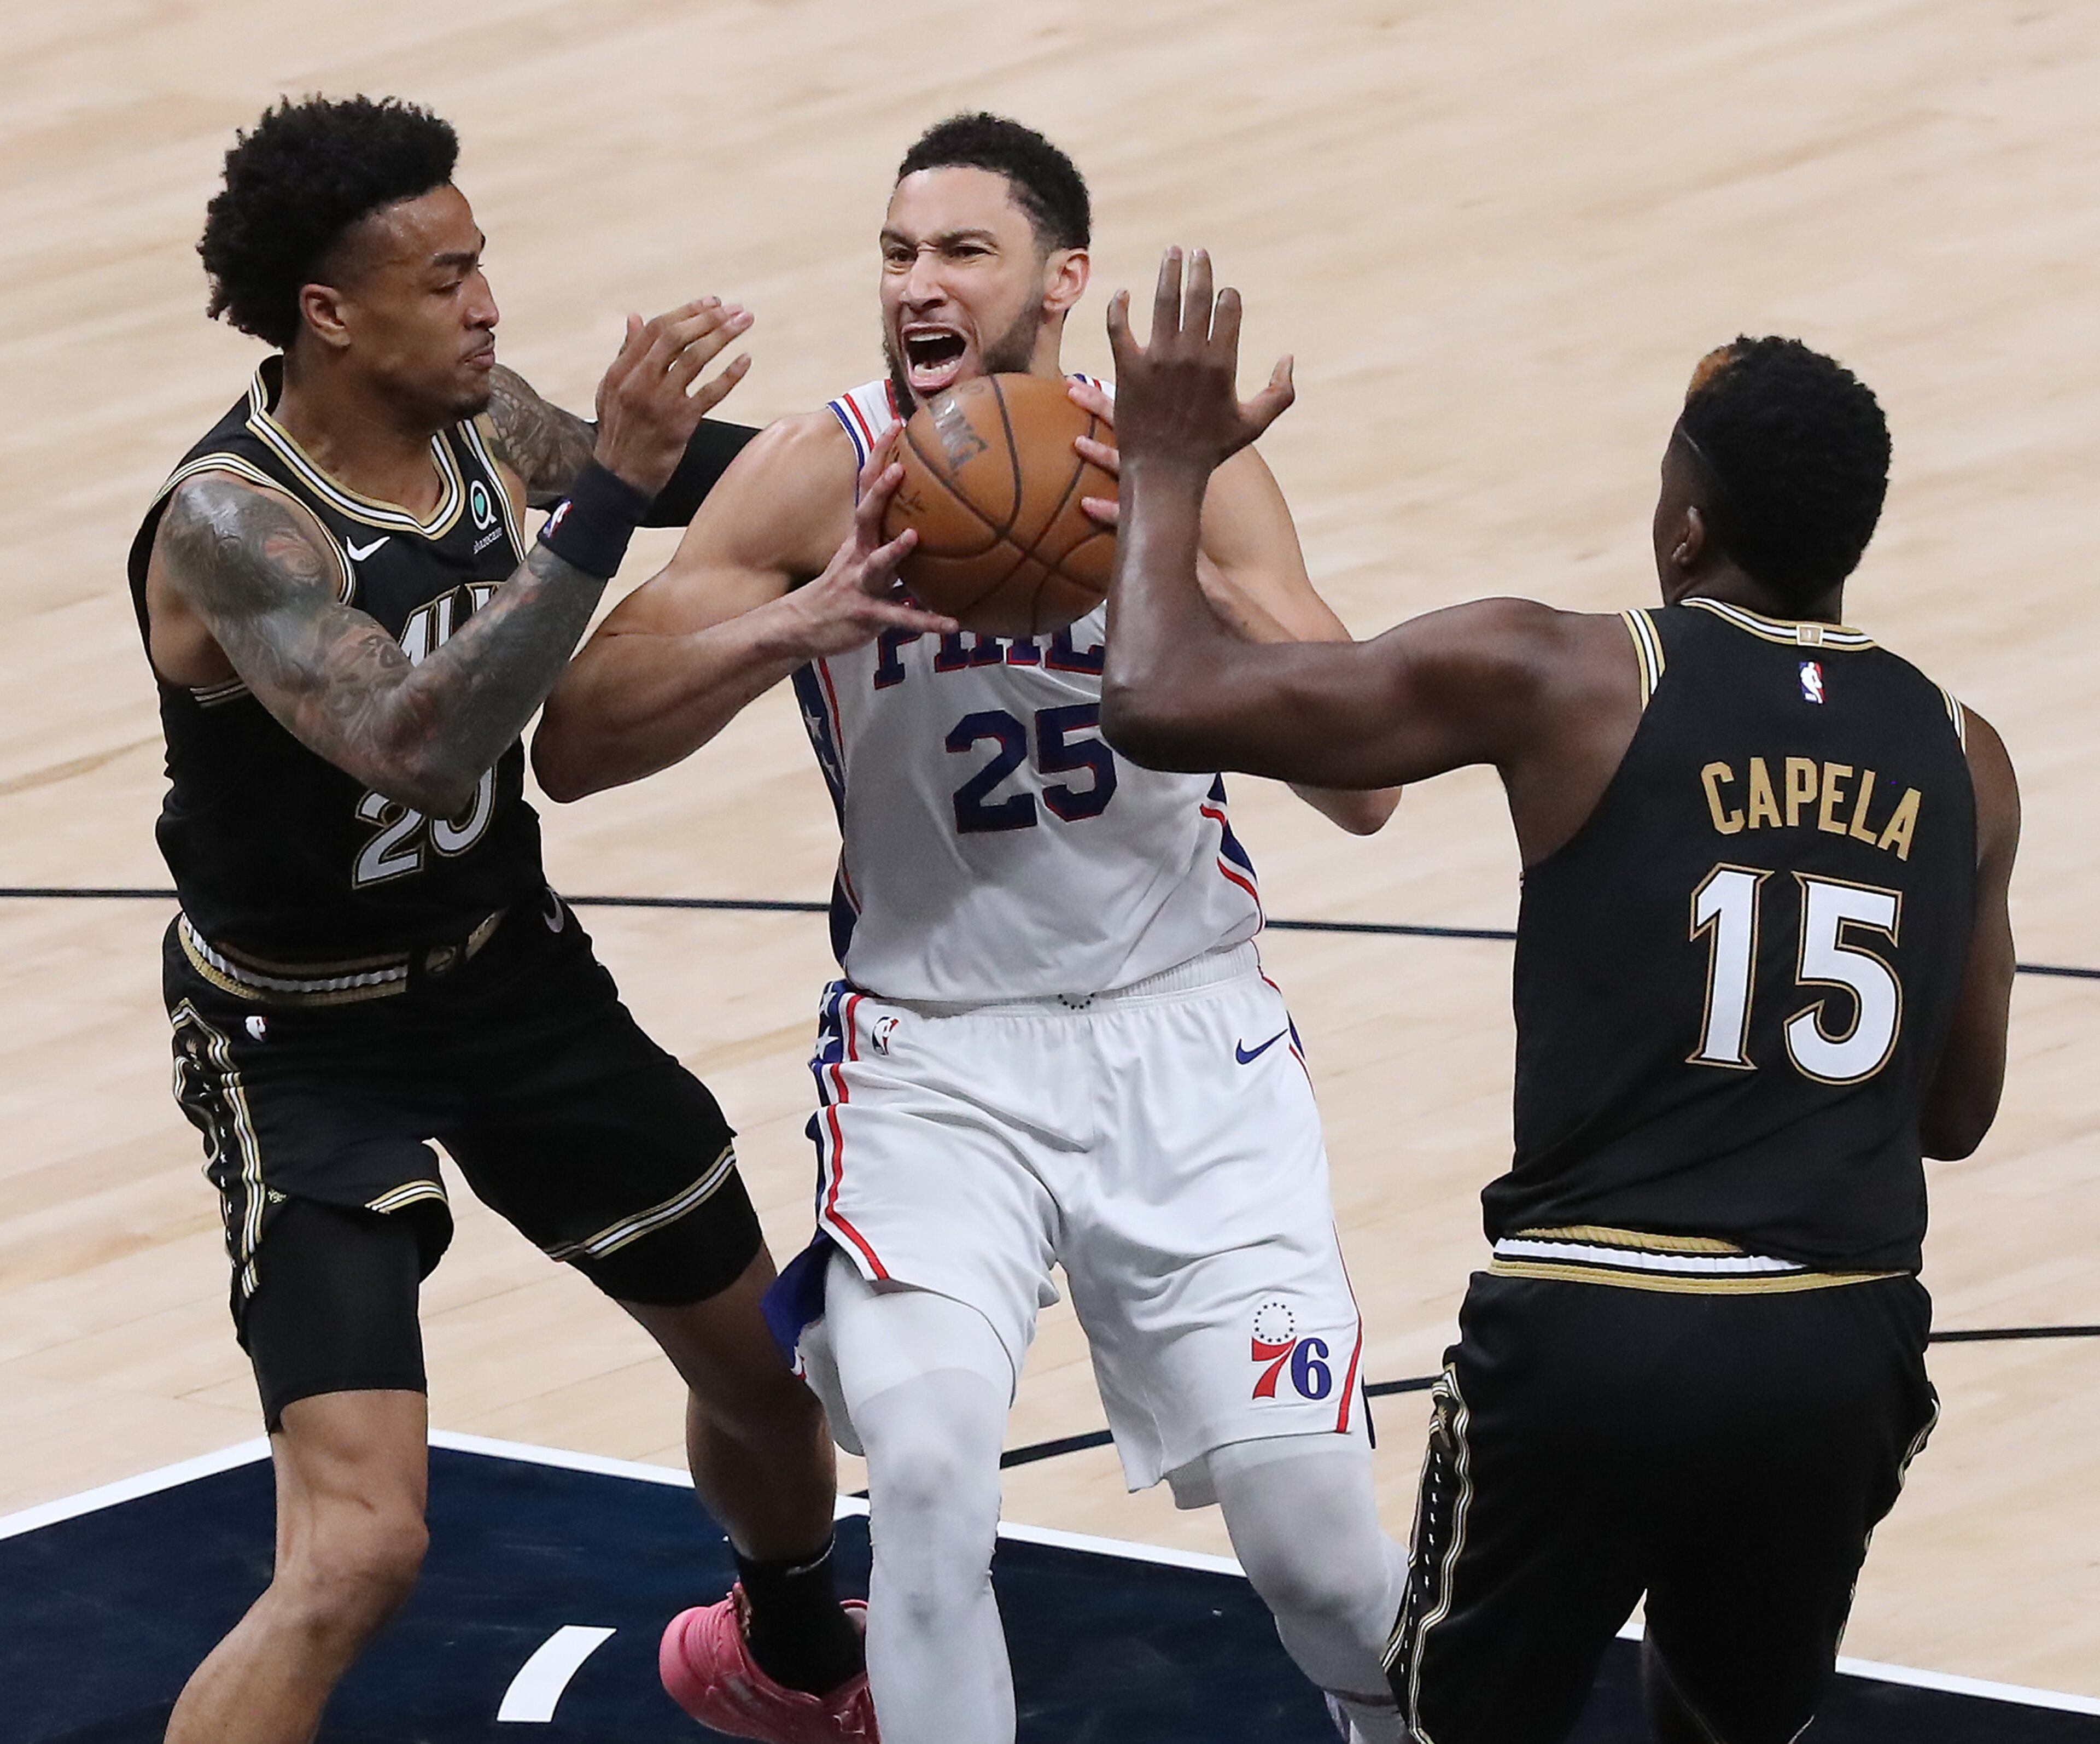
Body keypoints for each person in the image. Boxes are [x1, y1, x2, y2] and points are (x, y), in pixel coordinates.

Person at [533, 115, 1410, 1744]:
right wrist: (795, 621)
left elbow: (1367, 786)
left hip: (1190, 1045)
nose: (915, 285)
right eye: (894, 252)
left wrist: (1165, 519)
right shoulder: (826, 469)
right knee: (930, 1484)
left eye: (960, 252)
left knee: (1324, 1560)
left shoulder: (1179, 464)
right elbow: (573, 745)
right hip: (935, 1062)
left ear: (1064, 282)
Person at [1096, 250, 2020, 1744]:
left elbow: (1148, 697)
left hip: (1600, 1325)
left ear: (1683, 526)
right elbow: (1961, 1113)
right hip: (1835, 1338)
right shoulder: (1964, 751)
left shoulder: (1570, 672)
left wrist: (1163, 469)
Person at [132, 96, 927, 1744]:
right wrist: (608, 494)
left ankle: (787, 1649)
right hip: (306, 1043)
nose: (487, 304)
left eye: (483, 263)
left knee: (771, 1379)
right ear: (329, 313)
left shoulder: (487, 424)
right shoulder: (231, 525)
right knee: (357, 1553)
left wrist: (937, 457)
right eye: (447, 276)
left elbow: (721, 478)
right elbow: (420, 743)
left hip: (519, 990)